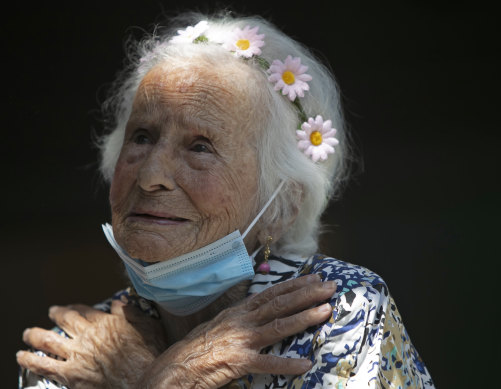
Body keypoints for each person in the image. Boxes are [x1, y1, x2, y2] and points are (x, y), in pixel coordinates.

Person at [16, 11, 435, 388]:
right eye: (141, 137)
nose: (150, 176)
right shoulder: (74, 352)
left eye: (200, 147)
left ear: (281, 206)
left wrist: (153, 381)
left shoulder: (338, 313)